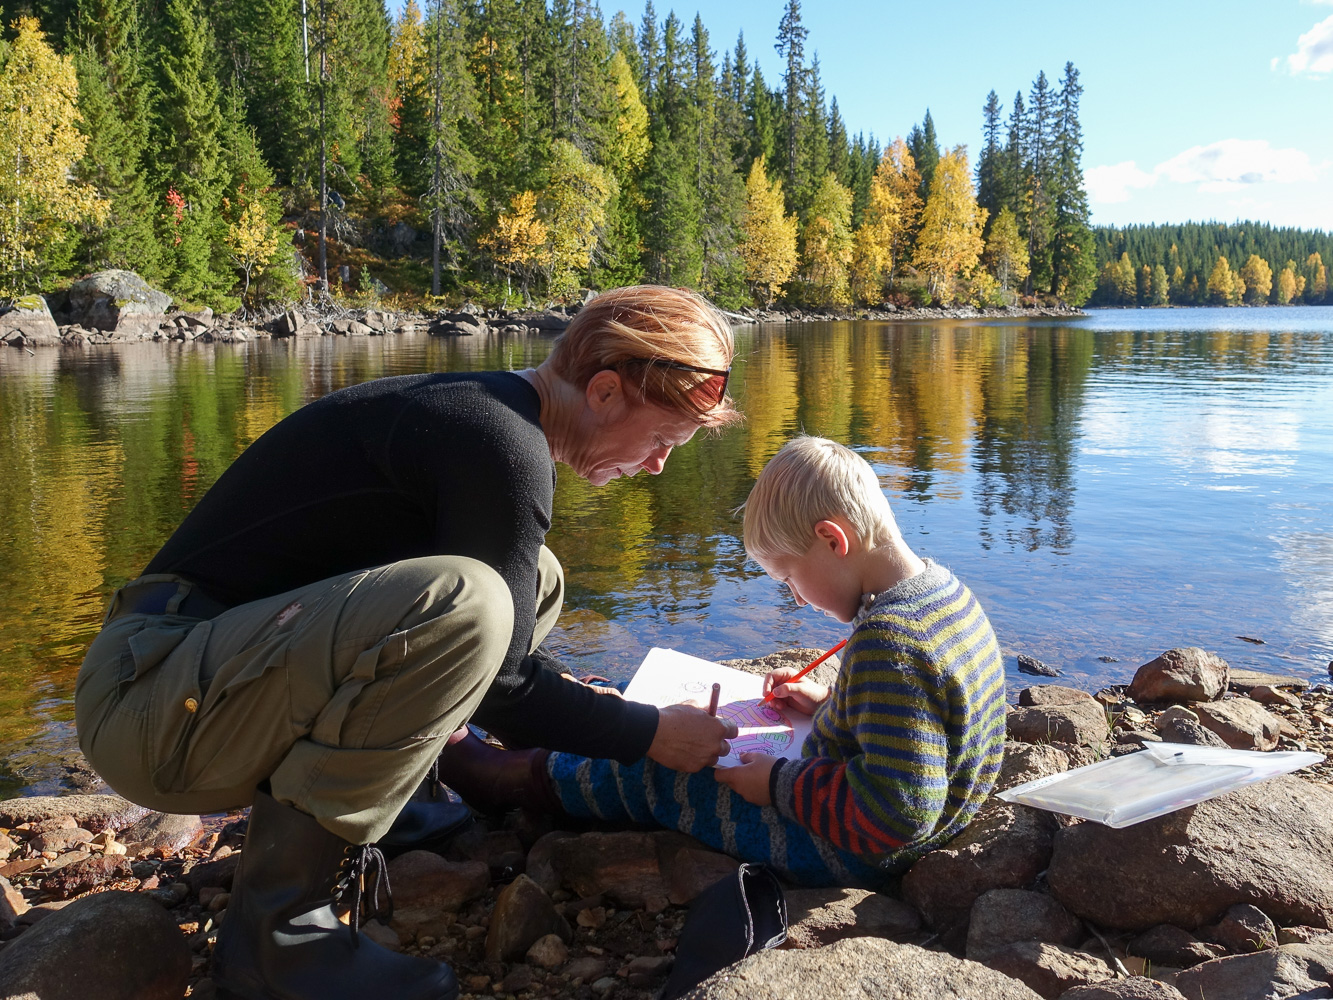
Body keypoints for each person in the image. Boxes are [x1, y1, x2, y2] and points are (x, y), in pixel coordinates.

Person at [73, 285, 742, 1000]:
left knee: (530, 581)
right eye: (663, 439)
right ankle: (277, 936)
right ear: (605, 391)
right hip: (151, 709)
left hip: (187, 682)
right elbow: (502, 687)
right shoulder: (501, 445)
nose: (657, 465)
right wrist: (650, 734)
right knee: (470, 604)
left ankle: (383, 807)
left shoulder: (484, 411)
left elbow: (489, 662)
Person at [437, 436, 1007, 889]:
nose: (797, 599)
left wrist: (777, 784)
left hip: (850, 850)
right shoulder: (939, 592)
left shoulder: (891, 643)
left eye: (789, 579)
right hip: (915, 820)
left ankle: (513, 779)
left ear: (833, 540)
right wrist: (831, 705)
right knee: (652, 710)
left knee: (659, 768)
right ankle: (568, 723)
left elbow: (898, 812)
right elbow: (925, 726)